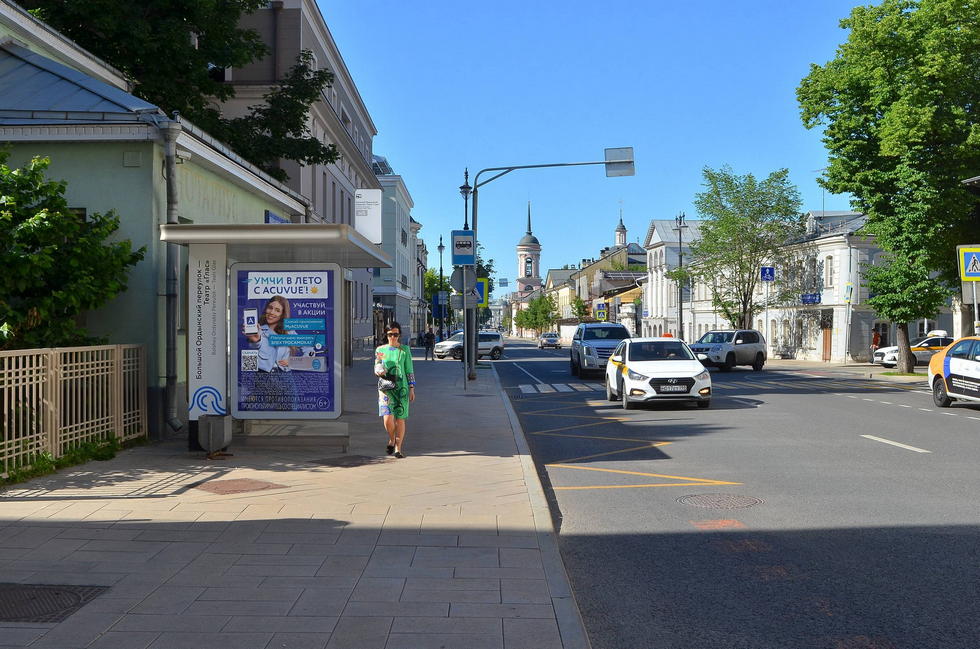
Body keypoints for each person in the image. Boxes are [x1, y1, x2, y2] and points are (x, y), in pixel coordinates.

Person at [375, 322, 415, 458]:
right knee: (388, 419)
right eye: (390, 334)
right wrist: (379, 370)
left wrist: (411, 388)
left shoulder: (405, 350)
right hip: (385, 388)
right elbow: (377, 365)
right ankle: (392, 438)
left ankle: (398, 448)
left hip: (402, 388)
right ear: (386, 335)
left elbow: (409, 370)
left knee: (400, 418)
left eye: (396, 334)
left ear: (399, 335)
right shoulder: (380, 350)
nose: (393, 337)